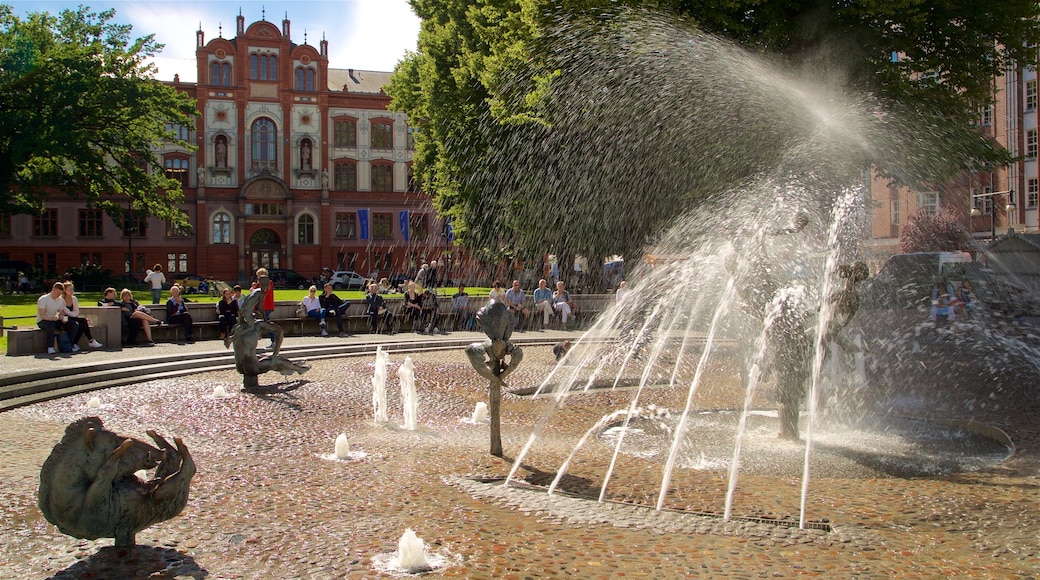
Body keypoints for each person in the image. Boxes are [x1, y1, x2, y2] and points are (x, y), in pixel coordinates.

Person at [37, 282, 78, 354]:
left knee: (74, 324)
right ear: (53, 289)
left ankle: (69, 344)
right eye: (57, 293)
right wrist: (51, 319)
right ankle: (50, 347)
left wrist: (62, 318)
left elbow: (61, 312)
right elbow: (42, 315)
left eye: (60, 294)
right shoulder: (43, 299)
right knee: (50, 325)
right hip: (43, 320)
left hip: (55, 319)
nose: (58, 295)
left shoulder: (60, 300)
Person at [62, 282, 103, 350]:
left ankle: (85, 341)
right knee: (81, 323)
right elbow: (66, 312)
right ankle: (87, 341)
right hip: (64, 318)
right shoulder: (61, 300)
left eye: (72, 289)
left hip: (73, 317)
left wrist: (74, 315)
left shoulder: (74, 299)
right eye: (69, 290)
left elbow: (76, 311)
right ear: (64, 291)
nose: (72, 291)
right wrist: (74, 314)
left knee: (82, 323)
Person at [252, 268, 276, 348]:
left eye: (258, 276)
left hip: (266, 306)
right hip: (260, 307)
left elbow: (265, 293)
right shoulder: (258, 284)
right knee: (264, 322)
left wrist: (256, 289)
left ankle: (274, 340)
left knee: (265, 323)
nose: (258, 278)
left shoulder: (269, 283)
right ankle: (273, 340)